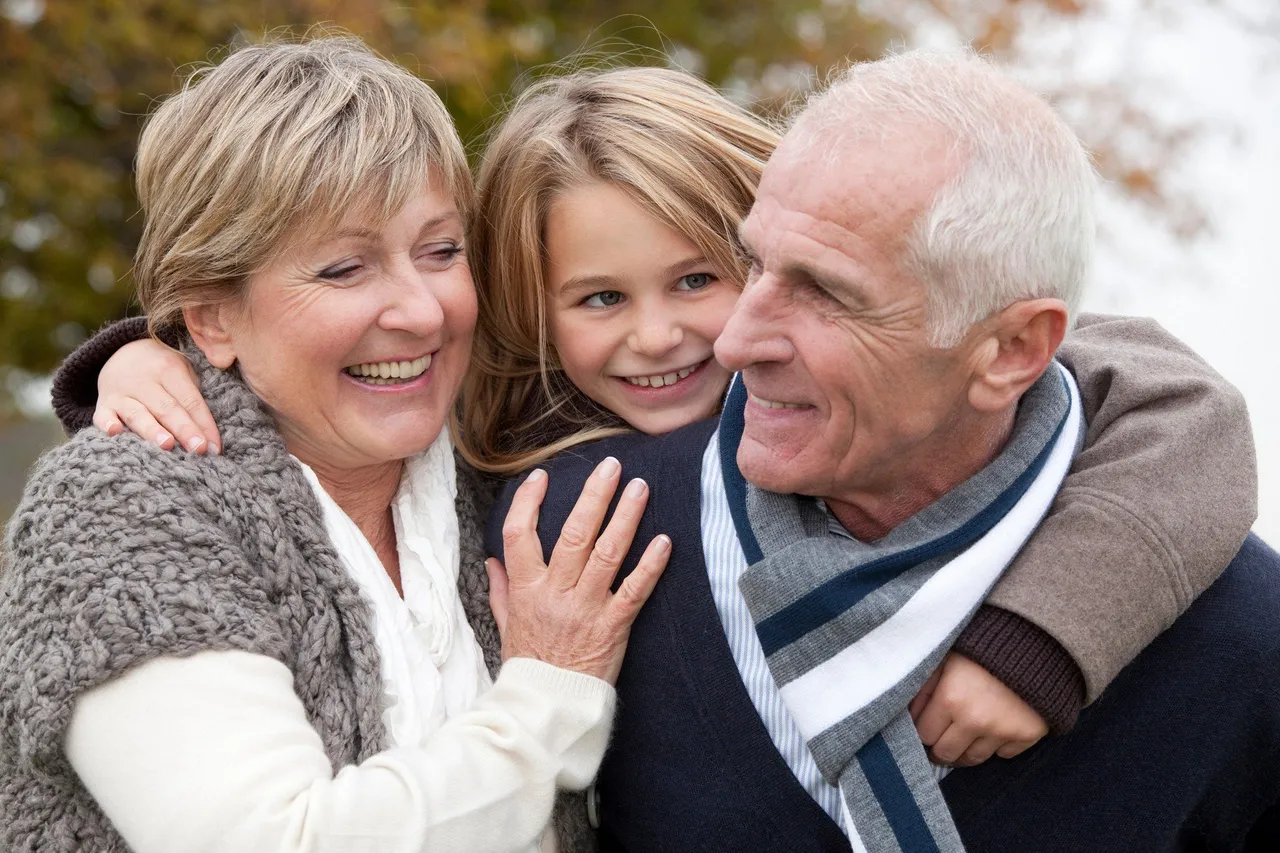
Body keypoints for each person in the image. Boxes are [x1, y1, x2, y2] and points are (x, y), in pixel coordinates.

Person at [50, 60, 1264, 850]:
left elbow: (1153, 393)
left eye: (705, 275)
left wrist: (1046, 631)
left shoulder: (476, 444)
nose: (675, 335)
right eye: (596, 299)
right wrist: (142, 359)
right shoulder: (524, 475)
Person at [482, 52, 1279, 851]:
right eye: (756, 261)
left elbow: (1161, 391)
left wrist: (1044, 635)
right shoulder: (564, 545)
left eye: (826, 291)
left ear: (1008, 351)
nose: (732, 337)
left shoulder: (1232, 628)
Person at [0, 37, 673, 853]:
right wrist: (552, 694)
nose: (422, 312)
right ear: (212, 315)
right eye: (344, 268)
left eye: (441, 250)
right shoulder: (122, 510)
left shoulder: (490, 459)